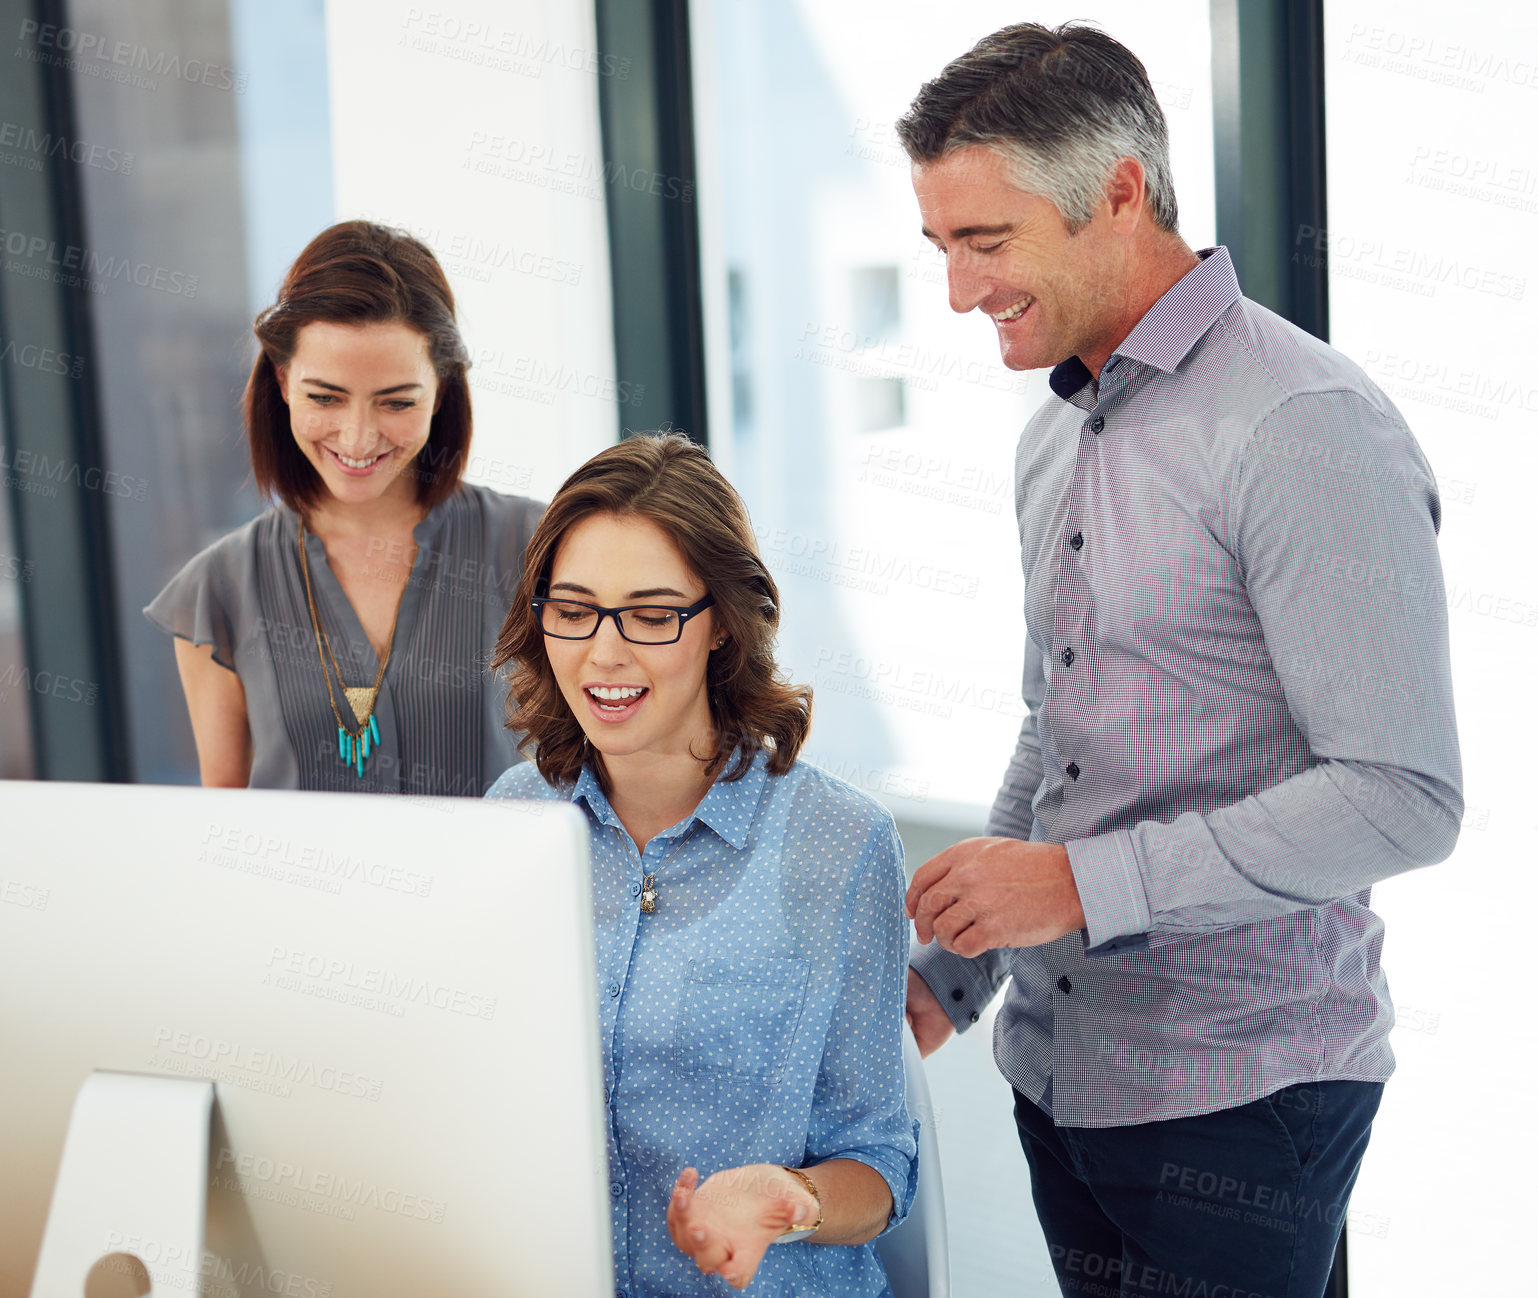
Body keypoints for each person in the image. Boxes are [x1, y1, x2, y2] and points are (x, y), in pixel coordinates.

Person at [895, 22, 1461, 1298]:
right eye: (938, 247)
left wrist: (1080, 887)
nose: (956, 291)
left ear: (1116, 193)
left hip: (1243, 1097)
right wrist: (953, 970)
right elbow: (1057, 726)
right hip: (1058, 1076)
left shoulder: (1301, 426)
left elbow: (1400, 793)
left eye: (985, 242)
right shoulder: (1054, 437)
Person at [485, 433, 916, 1295]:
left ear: (720, 623)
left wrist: (787, 1197)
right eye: (573, 609)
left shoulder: (840, 842)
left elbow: (880, 1163)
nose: (605, 653)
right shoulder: (514, 818)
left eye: (652, 615)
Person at [146, 220, 540, 794]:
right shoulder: (219, 589)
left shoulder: (536, 545)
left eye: (397, 401)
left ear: (442, 391)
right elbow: (224, 819)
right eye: (324, 397)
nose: (357, 439)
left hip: (495, 885)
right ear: (282, 382)